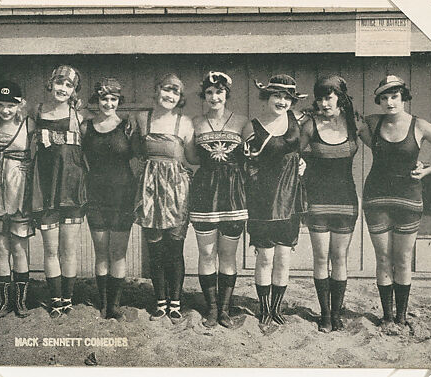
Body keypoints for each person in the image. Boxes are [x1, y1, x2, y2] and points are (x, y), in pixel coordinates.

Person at [360, 75, 431, 327]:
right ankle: (386, 316)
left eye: (394, 96)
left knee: (403, 258)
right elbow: (345, 129)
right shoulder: (372, 123)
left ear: (403, 97)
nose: (389, 102)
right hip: (376, 198)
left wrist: (426, 170)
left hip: (408, 198)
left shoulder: (420, 125)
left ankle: (401, 316)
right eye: (383, 98)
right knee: (383, 257)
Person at [131, 73, 196, 324]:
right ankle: (160, 301)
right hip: (149, 188)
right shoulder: (141, 118)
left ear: (180, 98)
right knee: (155, 247)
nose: (169, 96)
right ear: (157, 90)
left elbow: (192, 157)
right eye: (166, 90)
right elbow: (134, 148)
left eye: (175, 93)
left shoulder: (185, 122)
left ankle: (176, 302)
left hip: (177, 188)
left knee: (174, 246)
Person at [244, 74, 308, 325]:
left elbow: (312, 147)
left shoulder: (299, 121)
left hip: (290, 200)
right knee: (265, 257)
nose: (281, 101)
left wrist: (303, 163)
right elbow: (247, 165)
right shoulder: (252, 126)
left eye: (287, 97)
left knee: (283, 256)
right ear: (267, 97)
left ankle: (277, 309)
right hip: (262, 201)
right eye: (277, 96)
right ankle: (263, 308)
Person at [299, 75, 360, 332]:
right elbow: (292, 153)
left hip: (346, 201)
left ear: (341, 98)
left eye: (329, 97)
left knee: (340, 258)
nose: (324, 103)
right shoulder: (310, 125)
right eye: (320, 98)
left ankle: (337, 314)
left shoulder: (355, 124)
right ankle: (324, 314)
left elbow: (385, 145)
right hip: (318, 201)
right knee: (321, 258)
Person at [190, 71, 249, 328]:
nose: (215, 97)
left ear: (227, 94)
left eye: (220, 92)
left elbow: (255, 156)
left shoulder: (243, 122)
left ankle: (225, 309)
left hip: (233, 195)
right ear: (204, 95)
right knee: (206, 252)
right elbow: (192, 158)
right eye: (210, 92)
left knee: (227, 255)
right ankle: (211, 309)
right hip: (205, 193)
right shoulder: (195, 122)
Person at [31, 65, 87, 318]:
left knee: (69, 249)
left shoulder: (79, 116)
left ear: (74, 90)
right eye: (59, 83)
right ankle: (55, 299)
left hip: (72, 190)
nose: (63, 88)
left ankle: (68, 298)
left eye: (69, 85)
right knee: (50, 249)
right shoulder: (36, 111)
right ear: (51, 84)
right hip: (46, 190)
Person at [81, 78, 134, 320]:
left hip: (123, 195)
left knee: (118, 252)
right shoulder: (86, 127)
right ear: (97, 100)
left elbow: (139, 159)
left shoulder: (127, 127)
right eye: (104, 99)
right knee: (101, 251)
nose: (108, 103)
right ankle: (102, 304)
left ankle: (115, 304)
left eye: (113, 99)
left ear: (119, 101)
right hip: (96, 195)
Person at [0, 81, 35, 319]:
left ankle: (20, 302)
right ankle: (3, 302)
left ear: (19, 104)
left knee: (18, 248)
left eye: (10, 106)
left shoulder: (28, 124)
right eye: (1, 105)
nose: (5, 110)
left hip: (19, 193)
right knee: (0, 250)